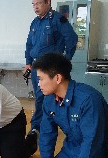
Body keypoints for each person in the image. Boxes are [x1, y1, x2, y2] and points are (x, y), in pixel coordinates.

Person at [24, 0, 78, 140]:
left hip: (51, 67)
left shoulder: (57, 19)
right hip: (37, 67)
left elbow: (72, 38)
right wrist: (28, 62)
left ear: (48, 2)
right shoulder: (35, 22)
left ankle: (58, 125)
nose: (35, 7)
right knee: (40, 97)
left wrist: (65, 59)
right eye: (33, 4)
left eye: (39, 3)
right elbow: (29, 44)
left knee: (56, 97)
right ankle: (38, 126)